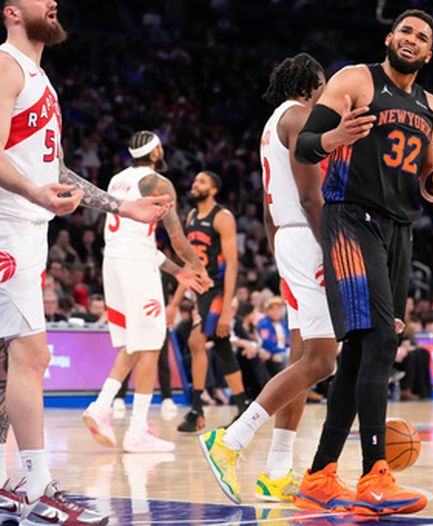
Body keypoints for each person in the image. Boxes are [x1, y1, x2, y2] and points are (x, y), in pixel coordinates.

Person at [0, 1, 170, 522]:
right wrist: (33, 191)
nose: (52, 1)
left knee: (12, 366)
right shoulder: (6, 64)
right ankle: (37, 486)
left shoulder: (40, 79)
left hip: (27, 229)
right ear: (11, 11)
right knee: (32, 358)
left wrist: (122, 206)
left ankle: (11, 485)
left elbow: (55, 168)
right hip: (7, 227)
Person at [294, 9, 433, 516]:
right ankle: (374, 477)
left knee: (367, 347)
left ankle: (321, 475)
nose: (411, 40)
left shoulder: (430, 104)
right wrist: (332, 139)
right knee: (381, 340)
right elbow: (303, 147)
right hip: (350, 218)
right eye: (405, 31)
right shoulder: (355, 80)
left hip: (399, 229)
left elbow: (430, 189)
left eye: (422, 37)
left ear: (428, 54)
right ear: (390, 38)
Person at [200, 53, 339, 504]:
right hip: (307, 237)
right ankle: (231, 441)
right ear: (312, 84)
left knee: (302, 357)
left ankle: (278, 469)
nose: (328, 97)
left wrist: (281, 247)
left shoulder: (273, 122)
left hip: (288, 238)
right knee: (322, 360)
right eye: (325, 87)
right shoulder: (301, 116)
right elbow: (310, 195)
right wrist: (331, 250)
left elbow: (266, 203)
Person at [81, 131, 208, 453]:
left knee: (134, 345)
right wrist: (197, 265)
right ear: (155, 153)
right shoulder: (159, 184)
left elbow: (133, 239)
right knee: (151, 346)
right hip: (137, 266)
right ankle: (137, 430)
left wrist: (178, 272)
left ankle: (101, 406)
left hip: (113, 262)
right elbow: (178, 239)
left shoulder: (116, 180)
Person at [174, 171, 248, 432]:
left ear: (214, 190)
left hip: (218, 290)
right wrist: (174, 303)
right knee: (221, 345)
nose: (195, 185)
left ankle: (196, 410)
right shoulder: (191, 216)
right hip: (201, 291)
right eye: (194, 181)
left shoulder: (222, 217)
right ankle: (243, 407)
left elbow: (231, 266)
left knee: (196, 341)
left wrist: (227, 308)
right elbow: (188, 263)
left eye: (202, 182)